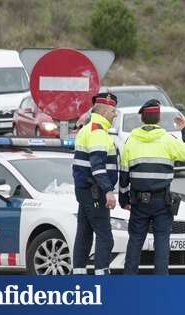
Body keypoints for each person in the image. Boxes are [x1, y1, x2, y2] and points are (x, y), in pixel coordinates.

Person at [118, 99, 185, 275]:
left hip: (138, 202)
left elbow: (124, 175)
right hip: (162, 202)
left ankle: (127, 285)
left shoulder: (130, 141)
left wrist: (123, 199)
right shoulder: (168, 140)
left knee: (135, 243)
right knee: (162, 244)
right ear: (158, 119)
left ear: (142, 118)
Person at [71, 92, 119, 275]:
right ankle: (102, 279)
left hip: (86, 191)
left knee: (84, 236)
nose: (115, 114)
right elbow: (97, 165)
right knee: (105, 237)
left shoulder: (87, 129)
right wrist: (108, 190)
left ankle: (79, 277)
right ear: (105, 111)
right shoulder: (98, 132)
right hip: (95, 191)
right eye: (113, 110)